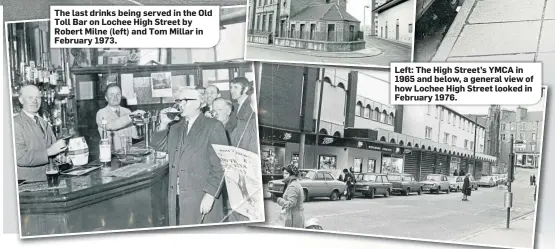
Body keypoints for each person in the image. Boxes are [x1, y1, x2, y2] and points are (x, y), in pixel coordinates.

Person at [151, 88, 229, 226]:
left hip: (202, 195)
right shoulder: (176, 127)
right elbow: (159, 146)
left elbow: (222, 165)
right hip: (179, 196)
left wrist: (210, 195)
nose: (180, 104)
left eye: (185, 100)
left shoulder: (213, 126)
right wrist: (163, 124)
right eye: (179, 100)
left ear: (199, 103)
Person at [14, 85, 67, 181]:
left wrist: (61, 156)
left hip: (50, 178)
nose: (35, 101)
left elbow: (53, 150)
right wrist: (49, 152)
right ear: (21, 100)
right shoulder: (15, 124)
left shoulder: (43, 122)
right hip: (29, 184)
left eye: (37, 98)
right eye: (30, 97)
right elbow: (20, 158)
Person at [95, 84, 144, 151]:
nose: (115, 97)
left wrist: (141, 124)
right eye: (111, 95)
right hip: (111, 155)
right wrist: (132, 116)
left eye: (118, 94)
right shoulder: (101, 113)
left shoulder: (127, 111)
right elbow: (111, 125)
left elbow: (135, 135)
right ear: (106, 97)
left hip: (128, 154)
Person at [228, 77, 258, 154]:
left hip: (249, 147)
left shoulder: (252, 104)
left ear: (245, 89)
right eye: (231, 87)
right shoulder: (235, 106)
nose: (232, 90)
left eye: (236, 87)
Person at [276, 163, 305, 228]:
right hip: (295, 216)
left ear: (292, 174)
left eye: (286, 173)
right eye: (284, 173)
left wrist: (279, 200)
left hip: (294, 218)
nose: (284, 175)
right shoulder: (294, 183)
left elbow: (291, 203)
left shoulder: (293, 185)